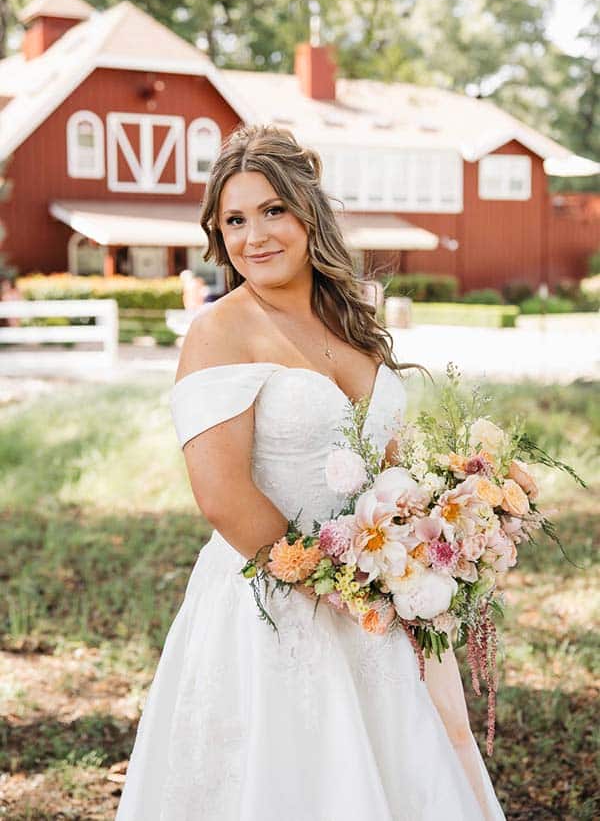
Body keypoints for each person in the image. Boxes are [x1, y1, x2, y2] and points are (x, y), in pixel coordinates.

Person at [115, 125, 506, 820]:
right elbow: (221, 492)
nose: (254, 236)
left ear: (308, 214)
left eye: (273, 211)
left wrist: (429, 546)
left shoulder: (351, 317)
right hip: (275, 600)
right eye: (234, 219)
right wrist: (335, 583)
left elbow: (386, 459)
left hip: (379, 595)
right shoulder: (220, 330)